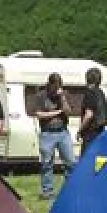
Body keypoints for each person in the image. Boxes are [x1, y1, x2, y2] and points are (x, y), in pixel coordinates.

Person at [34, 72, 76, 200]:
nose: (56, 89)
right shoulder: (41, 95)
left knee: (70, 162)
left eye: (59, 86)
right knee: (47, 163)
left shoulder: (65, 94)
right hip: (47, 133)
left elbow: (68, 112)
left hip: (63, 132)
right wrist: (57, 112)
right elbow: (39, 114)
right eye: (55, 86)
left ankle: (70, 189)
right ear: (49, 84)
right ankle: (47, 191)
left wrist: (62, 98)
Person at [78, 67, 107, 156]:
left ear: (87, 78)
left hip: (90, 132)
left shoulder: (90, 93)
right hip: (100, 131)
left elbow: (89, 115)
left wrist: (80, 130)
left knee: (86, 160)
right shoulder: (100, 92)